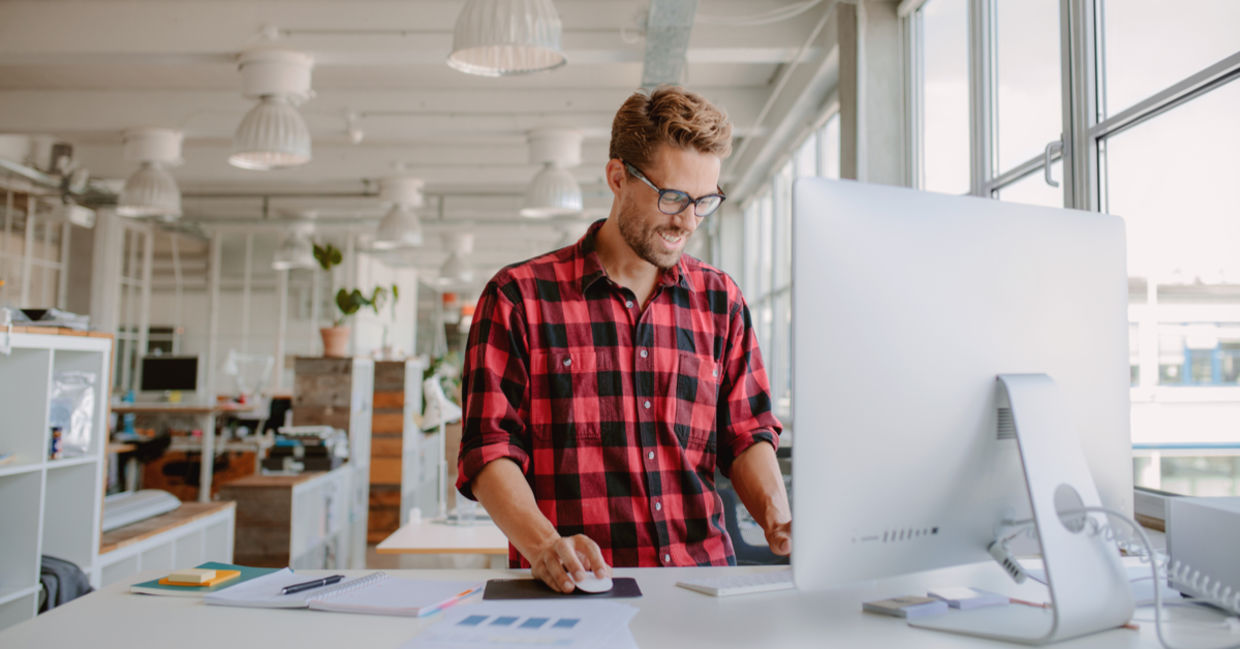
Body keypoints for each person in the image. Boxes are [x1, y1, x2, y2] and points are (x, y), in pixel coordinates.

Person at [456, 86, 791, 593]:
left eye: (705, 201)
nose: (688, 220)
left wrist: (779, 520)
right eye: (673, 196)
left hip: (703, 588)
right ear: (617, 178)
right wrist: (545, 544)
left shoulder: (722, 301)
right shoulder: (518, 298)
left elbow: (746, 433)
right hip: (578, 592)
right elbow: (489, 449)